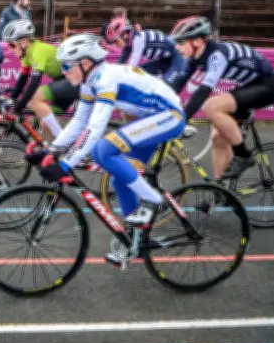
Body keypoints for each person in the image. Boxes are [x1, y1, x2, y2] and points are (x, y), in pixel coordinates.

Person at [27, 33, 186, 263]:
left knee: (102, 150)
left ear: (85, 63)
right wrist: (52, 150)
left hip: (169, 117)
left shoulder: (105, 79)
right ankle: (134, 241)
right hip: (151, 119)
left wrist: (66, 164)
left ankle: (153, 200)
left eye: (66, 66)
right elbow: (79, 121)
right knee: (119, 179)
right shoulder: (89, 81)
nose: (63, 71)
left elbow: (95, 127)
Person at [169, 15, 274, 180]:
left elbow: (203, 91)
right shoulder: (194, 57)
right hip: (249, 85)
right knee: (218, 138)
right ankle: (221, 188)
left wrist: (182, 119)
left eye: (181, 42)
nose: (177, 47)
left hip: (268, 86)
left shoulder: (217, 54)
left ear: (198, 41)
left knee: (211, 106)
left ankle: (243, 155)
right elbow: (177, 84)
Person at [2, 19, 79, 140]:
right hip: (62, 82)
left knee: (35, 99)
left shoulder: (38, 50)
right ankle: (55, 148)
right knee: (46, 124)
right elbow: (23, 79)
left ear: (25, 42)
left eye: (12, 45)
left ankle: (63, 140)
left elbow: (33, 84)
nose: (10, 48)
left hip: (73, 81)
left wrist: (17, 109)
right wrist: (11, 99)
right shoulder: (25, 54)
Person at [105, 16, 187, 89]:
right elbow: (119, 63)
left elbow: (132, 66)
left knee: (166, 86)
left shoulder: (138, 40)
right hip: (164, 59)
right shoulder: (129, 43)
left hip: (176, 57)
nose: (115, 44)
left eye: (116, 40)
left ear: (125, 35)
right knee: (140, 73)